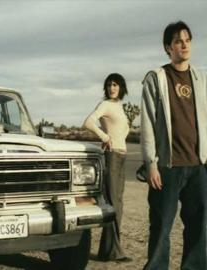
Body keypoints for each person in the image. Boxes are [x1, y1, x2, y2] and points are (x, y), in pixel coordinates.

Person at [141, 21, 207, 270]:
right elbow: (147, 121)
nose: (185, 45)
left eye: (188, 40)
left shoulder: (202, 78)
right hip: (167, 166)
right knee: (161, 228)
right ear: (168, 47)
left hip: (198, 165)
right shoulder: (156, 78)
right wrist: (151, 164)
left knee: (199, 228)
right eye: (179, 41)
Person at [83, 73, 131, 262]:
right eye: (109, 84)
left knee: (118, 203)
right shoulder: (105, 104)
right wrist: (104, 137)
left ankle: (108, 251)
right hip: (112, 157)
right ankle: (113, 252)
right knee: (113, 204)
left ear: (121, 87)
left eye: (116, 84)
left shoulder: (119, 106)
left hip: (122, 156)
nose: (112, 88)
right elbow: (88, 122)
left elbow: (122, 130)